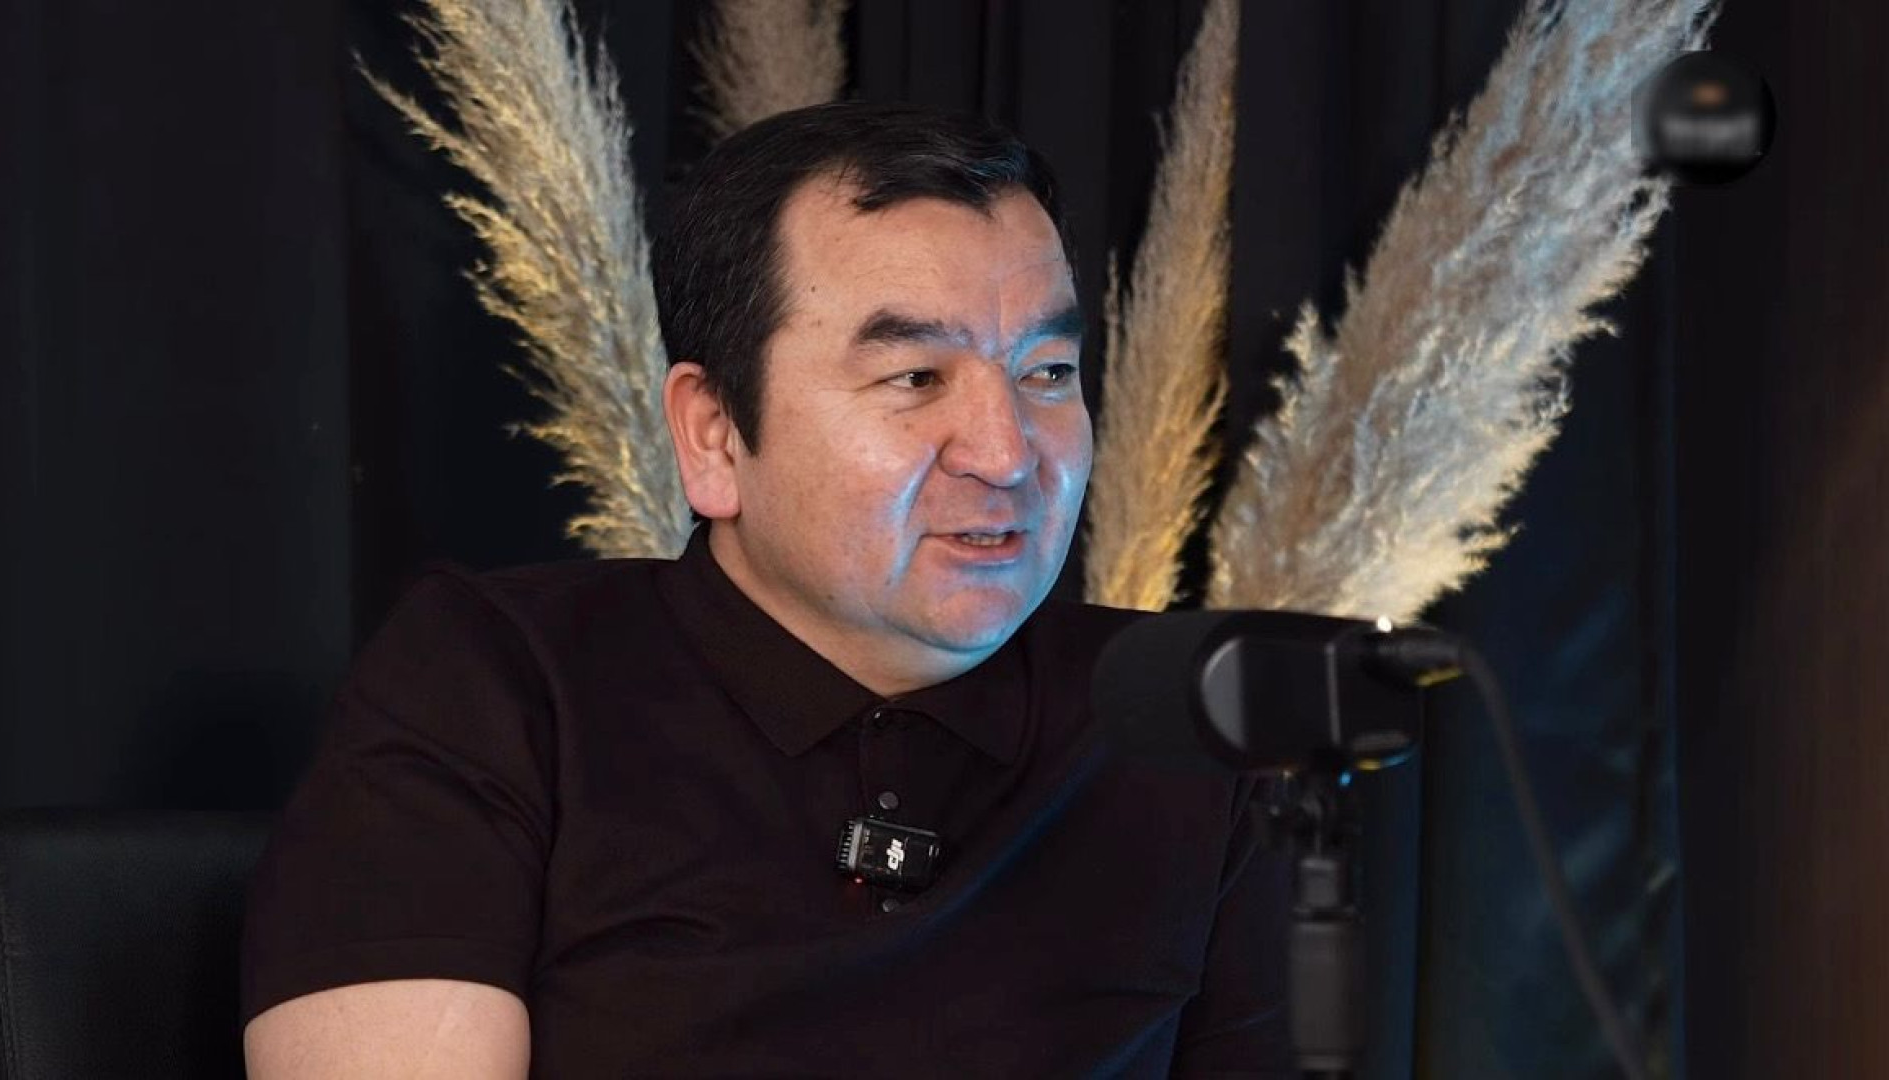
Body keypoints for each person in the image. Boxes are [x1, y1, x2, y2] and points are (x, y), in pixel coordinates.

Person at [240, 100, 1294, 1078]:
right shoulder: (496, 684)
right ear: (713, 433)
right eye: (915, 378)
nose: (1007, 452)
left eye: (1047, 373)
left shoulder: (1183, 720)